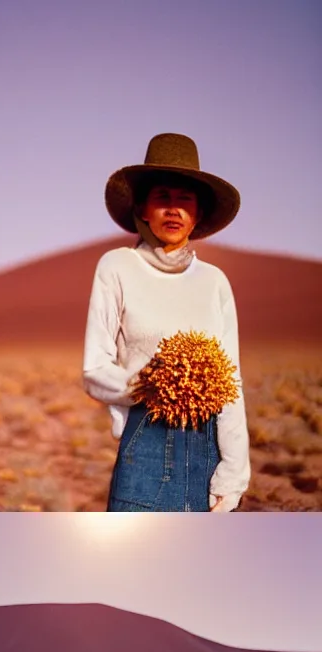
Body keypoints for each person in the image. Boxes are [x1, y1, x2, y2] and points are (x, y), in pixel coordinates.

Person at [82, 133, 251, 512]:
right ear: (142, 208)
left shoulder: (214, 282)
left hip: (207, 446)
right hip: (147, 441)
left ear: (198, 214)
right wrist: (151, 385)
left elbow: (231, 382)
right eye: (163, 198)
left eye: (184, 200)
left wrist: (235, 471)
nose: (173, 210)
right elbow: (94, 370)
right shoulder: (117, 267)